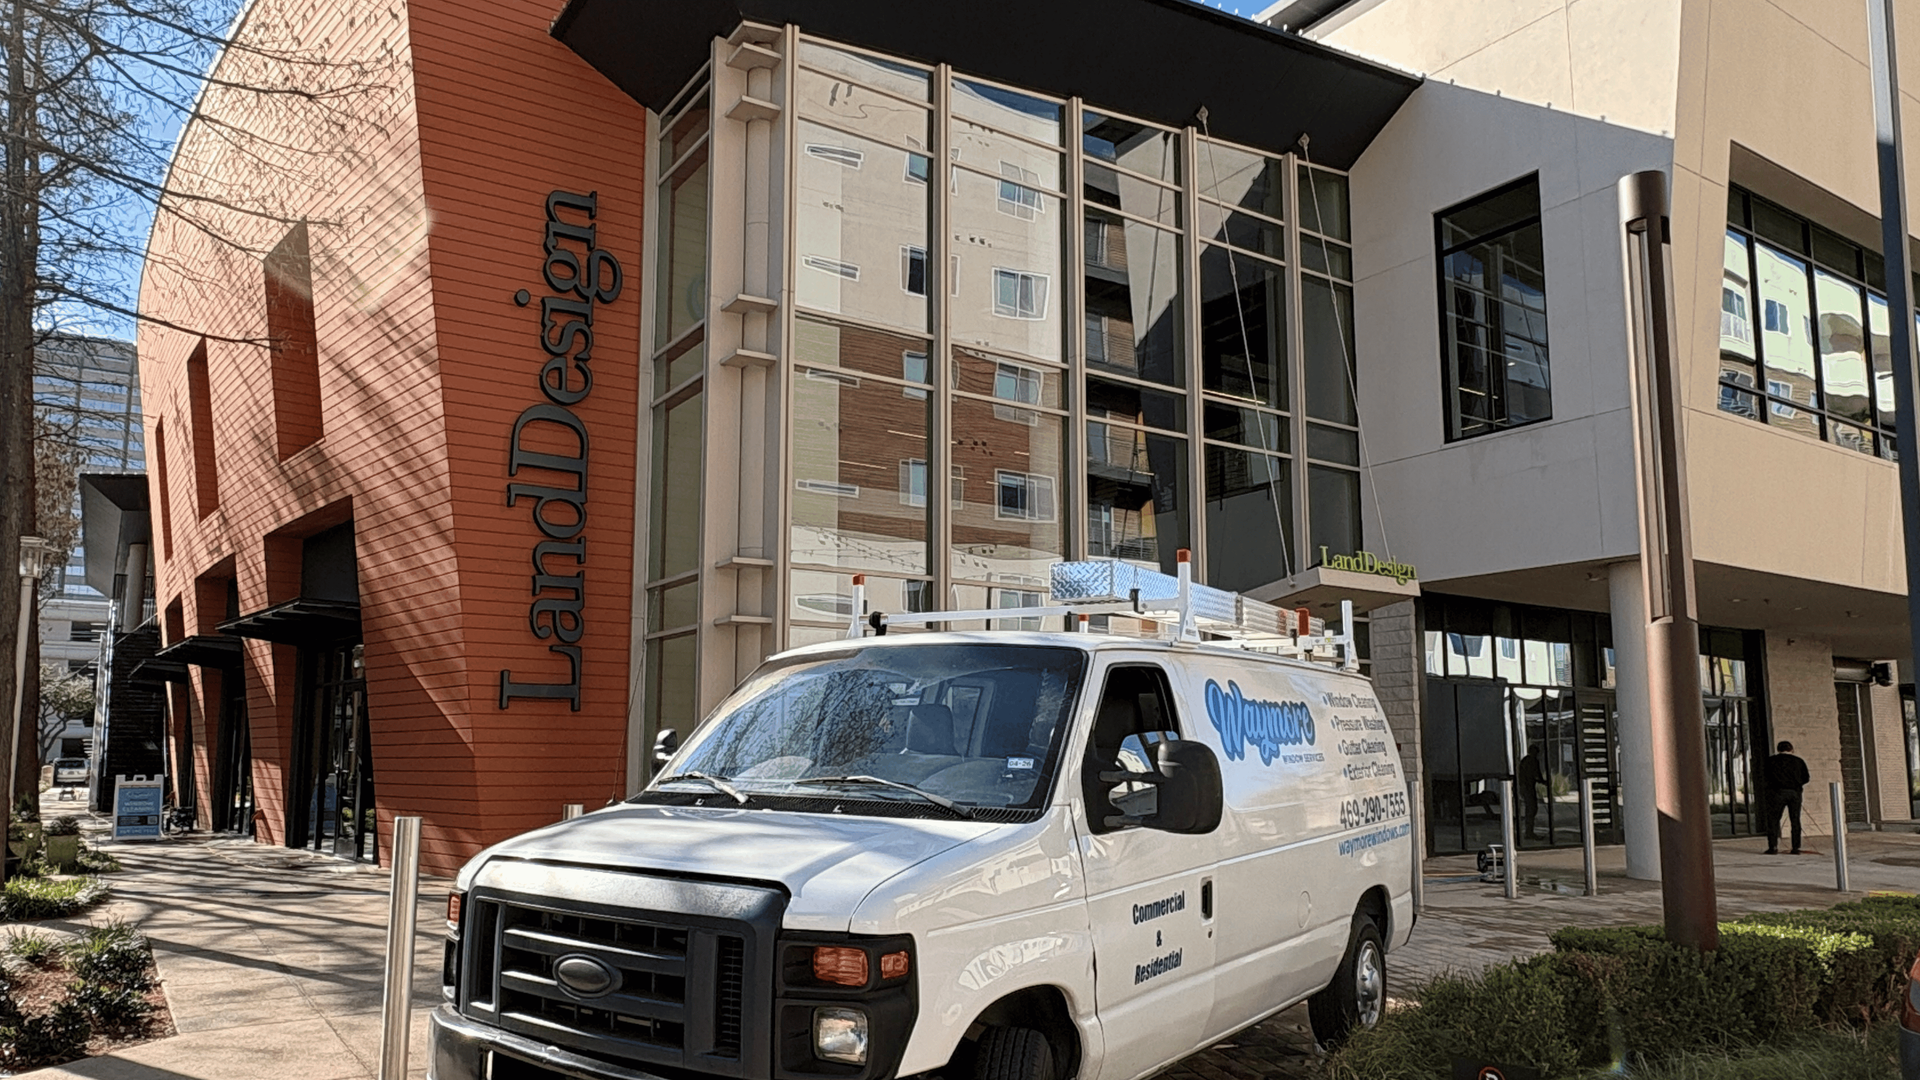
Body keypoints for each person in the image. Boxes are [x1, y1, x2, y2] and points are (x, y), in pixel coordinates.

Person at [1763, 740, 1810, 855]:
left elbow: (1765, 777)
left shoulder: (1771, 761)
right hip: (1794, 793)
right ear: (1791, 749)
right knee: (1795, 820)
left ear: (1778, 749)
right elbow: (1806, 778)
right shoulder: (1799, 761)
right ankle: (1795, 847)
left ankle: (1773, 847)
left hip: (1777, 792)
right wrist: (1797, 785)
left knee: (1774, 820)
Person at [1516, 743, 1547, 839]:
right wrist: (1543, 782)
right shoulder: (1532, 761)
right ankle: (1529, 832)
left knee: (1530, 809)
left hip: (1525, 787)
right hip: (1528, 787)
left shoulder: (1524, 760)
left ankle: (1529, 831)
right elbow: (1536, 774)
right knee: (1531, 809)